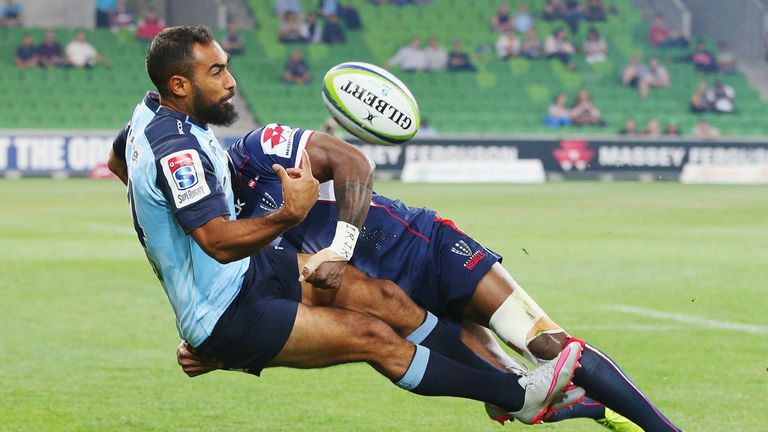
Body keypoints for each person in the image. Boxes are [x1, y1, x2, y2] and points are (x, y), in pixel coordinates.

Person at [108, 25, 582, 427]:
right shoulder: (177, 150)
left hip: (248, 274)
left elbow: (118, 160)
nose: (231, 81)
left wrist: (158, 211)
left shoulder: (148, 114)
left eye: (226, 65)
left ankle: (512, 388)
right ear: (179, 85)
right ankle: (517, 396)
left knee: (384, 298)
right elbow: (215, 243)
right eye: (216, 72)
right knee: (372, 338)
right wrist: (288, 214)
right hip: (223, 310)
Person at [178, 102, 686, 431]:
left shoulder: (255, 149)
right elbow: (258, 304)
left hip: (431, 251)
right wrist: (216, 347)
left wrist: (342, 246)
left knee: (550, 346)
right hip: (402, 313)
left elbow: (355, 163)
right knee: (512, 393)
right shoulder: (223, 230)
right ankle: (595, 410)